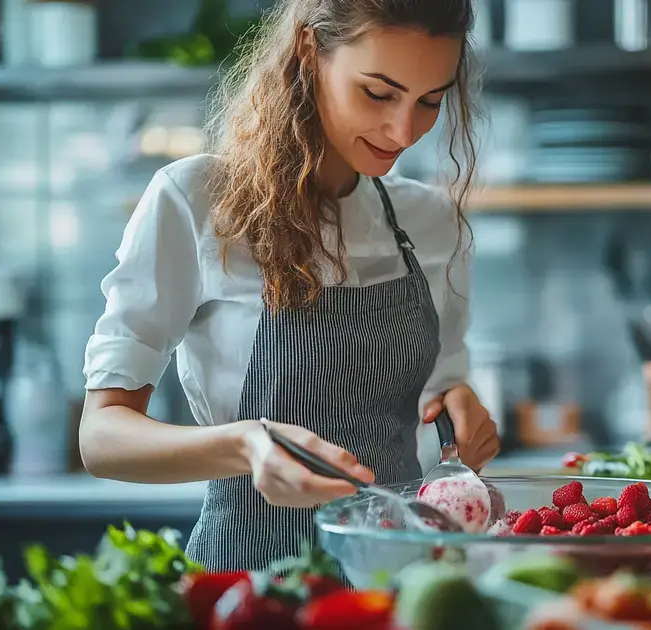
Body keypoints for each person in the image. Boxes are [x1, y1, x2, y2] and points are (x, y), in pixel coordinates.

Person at [77, 0, 499, 572]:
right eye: (378, 93)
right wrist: (244, 444)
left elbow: (441, 394)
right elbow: (101, 438)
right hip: (245, 587)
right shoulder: (196, 199)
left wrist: (459, 414)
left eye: (430, 100)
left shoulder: (430, 221)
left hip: (401, 587)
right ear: (308, 51)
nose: (405, 130)